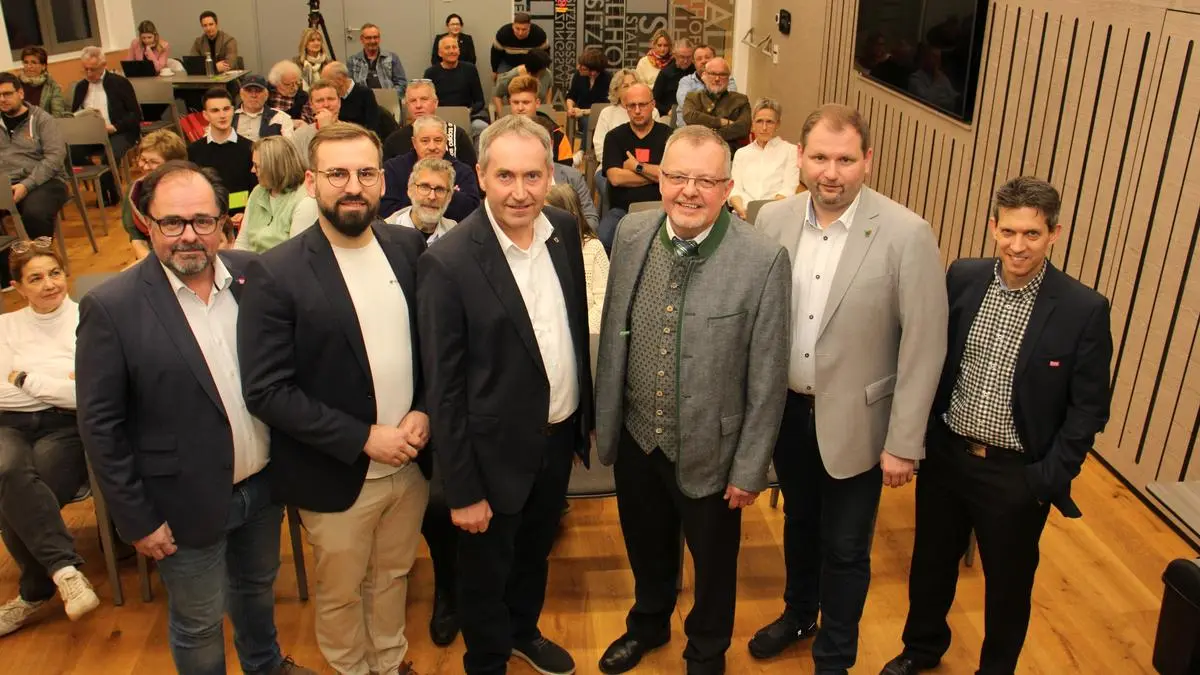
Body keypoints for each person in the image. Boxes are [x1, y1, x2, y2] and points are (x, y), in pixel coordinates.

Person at [76, 160, 315, 675]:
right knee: (200, 622)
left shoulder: (254, 276)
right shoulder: (111, 307)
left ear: (222, 223)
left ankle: (265, 665)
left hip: (263, 487)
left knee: (257, 590)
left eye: (203, 221)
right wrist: (137, 518)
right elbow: (101, 427)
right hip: (180, 505)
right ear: (148, 223)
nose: (189, 235)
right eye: (172, 222)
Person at [880, 177, 1113, 675]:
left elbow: (1090, 409)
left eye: (1032, 234)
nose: (1018, 245)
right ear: (993, 227)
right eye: (1008, 231)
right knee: (930, 566)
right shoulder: (962, 277)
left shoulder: (1083, 309)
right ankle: (921, 649)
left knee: (1007, 587)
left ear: (1054, 234)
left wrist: (1045, 479)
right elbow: (930, 356)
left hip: (1015, 476)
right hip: (947, 457)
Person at [752, 104, 948, 674]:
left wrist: (904, 442)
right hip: (789, 414)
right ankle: (798, 614)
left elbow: (925, 345)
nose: (831, 173)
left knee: (844, 547)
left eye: (844, 160)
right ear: (799, 157)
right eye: (819, 158)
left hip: (862, 425)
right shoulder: (772, 220)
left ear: (868, 160)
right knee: (799, 524)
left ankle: (834, 657)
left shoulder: (907, 233)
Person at [594, 124, 791, 675]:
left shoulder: (763, 260)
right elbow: (613, 332)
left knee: (714, 565)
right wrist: (607, 420)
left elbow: (768, 376)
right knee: (645, 544)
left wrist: (749, 468)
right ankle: (649, 624)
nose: (689, 191)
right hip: (637, 437)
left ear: (727, 189)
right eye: (678, 176)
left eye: (705, 181)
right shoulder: (632, 233)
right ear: (660, 179)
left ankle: (706, 651)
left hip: (713, 452)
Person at [239, 122, 430, 675]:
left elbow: (434, 347)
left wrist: (424, 409)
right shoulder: (275, 272)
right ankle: (350, 669)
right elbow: (267, 390)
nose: (353, 187)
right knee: (342, 591)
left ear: (382, 181)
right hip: (336, 471)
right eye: (337, 174)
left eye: (366, 173)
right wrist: (363, 438)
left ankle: (390, 661)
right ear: (311, 182)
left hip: (410, 463)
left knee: (393, 576)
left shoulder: (407, 248)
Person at [417, 114, 593, 675]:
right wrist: (463, 489)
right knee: (485, 572)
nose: (520, 192)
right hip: (489, 455)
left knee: (535, 552)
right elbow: (444, 390)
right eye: (506, 176)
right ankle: (489, 658)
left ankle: (523, 632)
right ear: (480, 176)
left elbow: (569, 327)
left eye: (533, 176)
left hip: (556, 439)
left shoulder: (561, 229)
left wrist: (578, 426)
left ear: (550, 176)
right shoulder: (447, 262)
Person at [0, 240, 99, 638]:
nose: (49, 284)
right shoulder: (6, 327)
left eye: (55, 273)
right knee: (5, 469)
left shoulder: (88, 320)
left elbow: (89, 393)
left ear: (66, 274)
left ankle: (34, 591)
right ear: (17, 287)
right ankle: (65, 571)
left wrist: (24, 378)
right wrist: (59, 383)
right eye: (36, 278)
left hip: (66, 426)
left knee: (20, 490)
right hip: (8, 424)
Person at [0, 73, 69, 250]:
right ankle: (6, 262)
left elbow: (54, 158)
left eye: (7, 94)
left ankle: (40, 257)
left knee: (35, 213)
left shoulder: (42, 120)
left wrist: (26, 185)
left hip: (45, 181)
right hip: (6, 182)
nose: (2, 99)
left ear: (20, 93)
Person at [598, 83, 670, 250]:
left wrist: (637, 167)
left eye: (642, 105)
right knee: (602, 239)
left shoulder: (669, 135)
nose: (637, 111)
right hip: (622, 211)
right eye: (632, 106)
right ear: (626, 107)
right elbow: (615, 178)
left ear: (653, 105)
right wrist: (656, 175)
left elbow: (671, 176)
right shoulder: (614, 137)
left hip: (660, 209)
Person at [70, 46, 141, 205]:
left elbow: (135, 114)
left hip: (119, 131)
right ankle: (104, 186)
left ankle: (110, 193)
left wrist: (115, 127)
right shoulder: (81, 86)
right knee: (71, 152)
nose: (89, 74)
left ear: (104, 65)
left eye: (93, 69)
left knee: (109, 155)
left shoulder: (119, 83)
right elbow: (74, 112)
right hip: (91, 133)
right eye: (85, 69)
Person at [380, 115, 479, 222]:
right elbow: (385, 210)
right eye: (425, 141)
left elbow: (472, 212)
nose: (432, 147)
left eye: (438, 140)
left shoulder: (463, 172)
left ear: (446, 141)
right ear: (414, 143)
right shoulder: (393, 169)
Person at [235, 136, 318, 252]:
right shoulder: (257, 191)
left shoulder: (305, 201)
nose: (252, 170)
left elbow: (296, 254)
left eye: (257, 166)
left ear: (273, 168)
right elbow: (242, 242)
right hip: (251, 261)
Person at [545, 184, 607, 334]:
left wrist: (577, 332)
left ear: (570, 216)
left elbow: (604, 305)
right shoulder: (537, 249)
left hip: (586, 335)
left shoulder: (593, 248)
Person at [729, 98, 800, 220]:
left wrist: (765, 214)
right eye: (759, 121)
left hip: (775, 216)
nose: (764, 127)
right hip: (742, 215)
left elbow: (789, 189)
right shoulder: (741, 153)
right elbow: (735, 189)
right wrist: (743, 212)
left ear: (778, 124)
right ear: (752, 124)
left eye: (769, 122)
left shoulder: (790, 151)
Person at [124, 129, 188, 261]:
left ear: (172, 164)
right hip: (151, 255)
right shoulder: (135, 190)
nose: (145, 167)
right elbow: (136, 237)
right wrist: (151, 263)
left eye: (153, 162)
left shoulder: (193, 189)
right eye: (143, 160)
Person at [381, 80, 477, 165]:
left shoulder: (457, 135)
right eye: (413, 101)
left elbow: (471, 173)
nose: (418, 105)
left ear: (435, 103)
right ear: (407, 106)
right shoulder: (393, 141)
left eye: (424, 99)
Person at [188, 88, 257, 203]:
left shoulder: (250, 148)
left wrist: (234, 207)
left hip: (243, 211)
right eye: (215, 111)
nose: (222, 115)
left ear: (233, 111)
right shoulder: (193, 150)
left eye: (226, 109)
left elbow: (256, 190)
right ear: (205, 115)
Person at [425, 36, 489, 137]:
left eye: (454, 47)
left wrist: (469, 111)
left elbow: (480, 101)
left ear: (459, 51)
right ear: (439, 53)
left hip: (468, 115)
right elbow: (427, 102)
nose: (451, 51)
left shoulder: (470, 69)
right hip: (440, 118)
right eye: (447, 48)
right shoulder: (431, 73)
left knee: (481, 127)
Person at [682, 58, 751, 151]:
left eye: (722, 74)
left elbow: (743, 128)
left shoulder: (740, 100)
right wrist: (721, 122)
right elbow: (689, 116)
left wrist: (712, 135)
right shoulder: (693, 97)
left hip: (728, 151)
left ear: (728, 78)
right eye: (713, 74)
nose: (717, 79)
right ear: (704, 75)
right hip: (697, 149)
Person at [385, 156, 457, 244]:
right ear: (410, 190)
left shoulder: (456, 235)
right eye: (424, 187)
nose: (432, 197)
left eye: (440, 189)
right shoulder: (384, 234)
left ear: (449, 196)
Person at [507, 74, 572, 165]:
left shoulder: (557, 135)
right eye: (516, 102)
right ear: (510, 103)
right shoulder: (498, 134)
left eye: (526, 102)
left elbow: (565, 170)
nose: (520, 108)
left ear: (537, 103)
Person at [675, 45, 738, 127]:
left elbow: (729, 104)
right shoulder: (685, 82)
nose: (704, 61)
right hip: (689, 130)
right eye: (699, 59)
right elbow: (688, 108)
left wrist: (708, 83)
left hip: (720, 130)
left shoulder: (728, 79)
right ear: (694, 62)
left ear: (715, 59)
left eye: (707, 57)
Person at [290, 79, 342, 162]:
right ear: (311, 105)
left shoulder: (353, 133)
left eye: (331, 99)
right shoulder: (299, 136)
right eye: (319, 101)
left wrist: (326, 129)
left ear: (339, 102)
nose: (326, 105)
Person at [347, 23, 408, 95]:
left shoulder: (392, 58)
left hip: (388, 99)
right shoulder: (352, 61)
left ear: (379, 38)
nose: (372, 41)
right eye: (368, 38)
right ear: (361, 39)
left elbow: (402, 83)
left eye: (375, 37)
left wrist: (391, 96)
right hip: (362, 100)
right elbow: (348, 87)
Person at [566, 47, 611, 142]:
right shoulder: (578, 75)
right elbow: (571, 95)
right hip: (582, 116)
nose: (578, 68)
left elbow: (606, 106)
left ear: (593, 71)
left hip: (601, 115)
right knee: (588, 121)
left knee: (592, 122)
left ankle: (584, 149)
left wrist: (583, 111)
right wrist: (570, 108)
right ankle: (585, 149)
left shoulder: (608, 78)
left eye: (583, 68)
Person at [321, 62, 380, 132]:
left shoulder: (365, 93)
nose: (325, 86)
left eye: (327, 82)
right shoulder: (330, 96)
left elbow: (372, 126)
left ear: (340, 80)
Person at [492, 50, 553, 115]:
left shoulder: (547, 73)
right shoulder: (509, 77)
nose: (538, 78)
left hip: (539, 113)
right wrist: (502, 116)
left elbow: (548, 90)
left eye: (542, 72)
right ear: (530, 72)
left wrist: (548, 110)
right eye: (537, 75)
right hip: (517, 114)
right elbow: (497, 96)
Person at [234, 75, 293, 142]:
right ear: (241, 94)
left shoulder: (280, 118)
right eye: (249, 91)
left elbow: (289, 146)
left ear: (266, 95)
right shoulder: (230, 117)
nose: (253, 95)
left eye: (258, 91)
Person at [490, 12, 549, 76]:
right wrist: (494, 71)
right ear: (513, 26)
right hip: (508, 64)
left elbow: (545, 55)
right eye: (517, 29)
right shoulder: (503, 33)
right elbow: (495, 53)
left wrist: (545, 69)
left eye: (524, 29)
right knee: (501, 79)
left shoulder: (539, 35)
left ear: (529, 27)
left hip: (531, 66)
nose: (520, 33)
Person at [18, 47, 68, 118]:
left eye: (34, 62)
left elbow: (57, 115)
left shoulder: (53, 87)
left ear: (43, 66)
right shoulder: (16, 84)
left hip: (44, 123)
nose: (29, 66)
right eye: (26, 62)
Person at [652, 38, 694, 118]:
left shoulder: (696, 72)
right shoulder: (665, 73)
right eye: (682, 57)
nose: (685, 61)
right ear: (675, 55)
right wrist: (667, 110)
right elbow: (653, 100)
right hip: (670, 116)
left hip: (693, 115)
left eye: (688, 57)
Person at [268, 60, 314, 126]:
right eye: (288, 84)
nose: (295, 88)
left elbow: (307, 122)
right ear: (276, 83)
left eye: (297, 83)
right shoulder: (266, 93)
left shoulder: (303, 97)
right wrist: (289, 122)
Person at [293, 27, 331, 92]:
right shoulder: (297, 63)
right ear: (305, 44)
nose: (316, 43)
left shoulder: (328, 62)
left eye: (319, 40)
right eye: (312, 40)